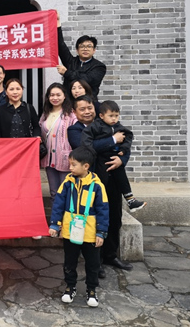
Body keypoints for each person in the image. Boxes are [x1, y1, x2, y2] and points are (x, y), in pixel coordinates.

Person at [67, 95, 133, 273]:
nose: (87, 112)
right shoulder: (74, 130)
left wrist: (122, 160)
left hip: (113, 178)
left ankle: (111, 256)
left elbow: (125, 143)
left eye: (89, 108)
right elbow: (85, 149)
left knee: (114, 218)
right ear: (75, 112)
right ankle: (97, 261)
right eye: (82, 109)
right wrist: (113, 140)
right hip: (92, 183)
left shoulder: (111, 125)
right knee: (95, 220)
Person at [49, 146, 109, 308]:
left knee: (93, 264)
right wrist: (55, 224)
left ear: (86, 166)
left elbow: (103, 210)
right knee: (69, 262)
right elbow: (58, 204)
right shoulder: (67, 183)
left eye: (73, 164)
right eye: (70, 164)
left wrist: (101, 232)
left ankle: (91, 290)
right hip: (70, 231)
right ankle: (70, 287)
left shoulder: (97, 186)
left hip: (90, 233)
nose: (70, 168)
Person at [81, 100, 146, 212]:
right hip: (100, 159)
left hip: (115, 157)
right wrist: (94, 152)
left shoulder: (118, 127)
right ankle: (94, 204)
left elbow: (128, 136)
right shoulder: (95, 126)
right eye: (111, 116)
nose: (114, 119)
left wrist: (124, 149)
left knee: (121, 176)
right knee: (101, 184)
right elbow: (86, 142)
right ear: (101, 116)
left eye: (116, 116)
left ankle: (130, 199)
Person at [39, 83, 77, 211]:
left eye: (58, 95)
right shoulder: (46, 114)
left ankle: (67, 219)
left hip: (65, 158)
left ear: (64, 96)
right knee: (54, 192)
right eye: (52, 95)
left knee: (67, 192)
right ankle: (56, 220)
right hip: (49, 160)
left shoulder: (71, 115)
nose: (55, 98)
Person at [56, 15, 106, 98]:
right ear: (77, 50)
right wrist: (57, 24)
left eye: (89, 46)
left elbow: (86, 79)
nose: (85, 49)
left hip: (88, 103)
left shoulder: (99, 66)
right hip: (69, 103)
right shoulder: (71, 62)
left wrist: (66, 73)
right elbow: (60, 45)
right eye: (82, 46)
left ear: (94, 50)